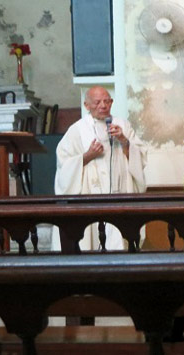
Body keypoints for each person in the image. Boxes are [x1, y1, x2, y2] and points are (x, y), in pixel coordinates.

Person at [54, 86, 147, 251]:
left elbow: (140, 156)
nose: (103, 106)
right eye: (97, 102)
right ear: (87, 105)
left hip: (120, 197)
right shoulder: (77, 131)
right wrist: (88, 155)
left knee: (120, 247)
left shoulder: (123, 126)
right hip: (90, 200)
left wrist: (124, 141)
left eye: (107, 101)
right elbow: (64, 164)